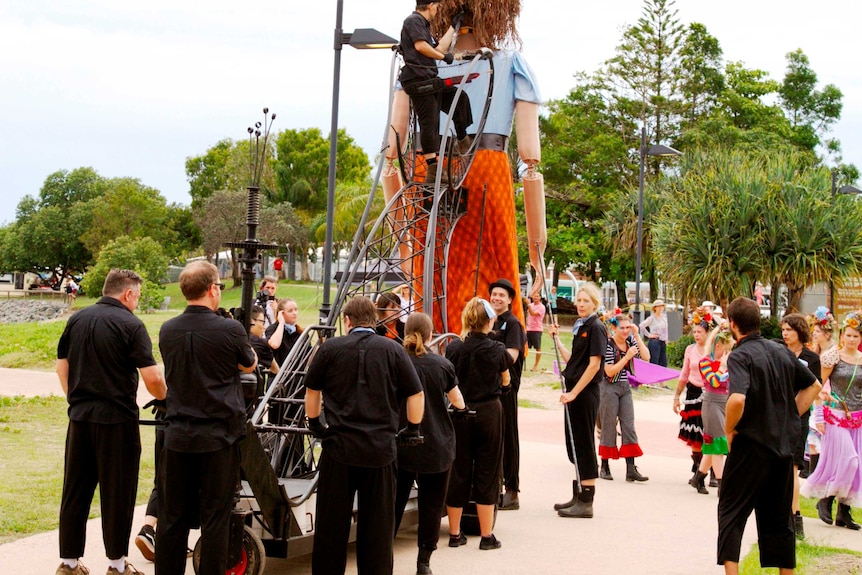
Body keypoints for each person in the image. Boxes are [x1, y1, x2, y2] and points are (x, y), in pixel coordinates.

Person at [383, 0, 547, 335]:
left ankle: (440, 343)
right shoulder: (509, 62)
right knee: (483, 263)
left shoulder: (416, 62)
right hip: (482, 166)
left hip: (430, 166)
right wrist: (537, 256)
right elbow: (530, 160)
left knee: (433, 263)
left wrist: (403, 245)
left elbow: (392, 146)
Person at [55, 269, 167, 575]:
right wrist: (165, 399)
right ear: (128, 294)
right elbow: (152, 377)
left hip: (80, 417)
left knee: (75, 490)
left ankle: (69, 563)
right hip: (116, 420)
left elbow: (61, 365)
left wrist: (75, 399)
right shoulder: (131, 324)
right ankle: (117, 565)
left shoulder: (77, 319)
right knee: (117, 493)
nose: (138, 302)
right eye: (138, 296)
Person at [304, 296, 424, 575]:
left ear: (347, 321)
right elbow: (415, 393)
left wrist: (315, 425)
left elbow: (312, 391)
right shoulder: (393, 350)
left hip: (339, 448)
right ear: (375, 320)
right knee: (378, 527)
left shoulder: (330, 348)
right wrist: (412, 429)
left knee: (331, 526)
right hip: (380, 449)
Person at [155, 261, 258, 575]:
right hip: (217, 436)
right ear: (213, 289)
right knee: (215, 518)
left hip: (177, 434)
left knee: (172, 517)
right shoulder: (229, 329)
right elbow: (250, 364)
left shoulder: (168, 329)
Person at [718, 297, 820, 575]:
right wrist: (789, 415)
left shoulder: (740, 355)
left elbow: (737, 398)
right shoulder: (782, 351)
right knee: (779, 518)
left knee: (732, 513)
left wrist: (729, 430)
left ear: (733, 324)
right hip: (782, 447)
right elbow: (814, 385)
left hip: (750, 446)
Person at [394, 313, 465, 574]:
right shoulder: (441, 365)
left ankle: (382, 553)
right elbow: (457, 400)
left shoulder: (397, 361)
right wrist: (462, 408)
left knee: (393, 502)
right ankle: (423, 562)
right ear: (431, 334)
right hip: (436, 443)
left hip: (400, 443)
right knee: (431, 506)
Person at [445, 297, 513, 548]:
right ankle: (486, 535)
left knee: (459, 470)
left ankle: (454, 533)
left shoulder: (454, 347)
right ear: (489, 320)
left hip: (460, 411)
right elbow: (506, 379)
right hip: (488, 412)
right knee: (487, 471)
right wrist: (502, 386)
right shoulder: (496, 349)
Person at [548, 283, 607, 518]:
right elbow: (575, 361)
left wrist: (574, 393)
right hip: (574, 390)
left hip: (585, 393)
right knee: (574, 444)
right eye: (579, 300)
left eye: (586, 301)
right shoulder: (580, 326)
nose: (581, 304)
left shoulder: (596, 327)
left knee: (583, 443)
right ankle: (579, 491)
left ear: (594, 303)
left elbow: (594, 365)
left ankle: (586, 500)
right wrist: (558, 340)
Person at [801, 310, 862, 531]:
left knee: (856, 468)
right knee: (850, 460)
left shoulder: (861, 360)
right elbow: (817, 385)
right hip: (834, 415)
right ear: (842, 335)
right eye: (849, 335)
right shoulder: (832, 357)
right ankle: (825, 499)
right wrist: (818, 415)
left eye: (856, 336)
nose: (852, 340)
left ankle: (843, 512)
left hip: (856, 418)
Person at [398, 0, 472, 180]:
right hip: (419, 81)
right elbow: (421, 47)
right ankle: (433, 169)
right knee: (429, 121)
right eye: (437, 6)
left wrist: (454, 26)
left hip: (430, 80)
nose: (438, 10)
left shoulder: (423, 25)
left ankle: (462, 138)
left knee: (458, 97)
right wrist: (443, 57)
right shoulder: (412, 21)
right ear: (431, 5)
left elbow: (438, 48)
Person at [777, 313, 821, 538]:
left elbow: (813, 388)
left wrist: (794, 412)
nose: (785, 334)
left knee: (793, 468)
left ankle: (795, 517)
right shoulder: (779, 352)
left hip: (798, 417)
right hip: (777, 415)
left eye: (789, 330)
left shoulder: (811, 358)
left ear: (799, 331)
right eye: (783, 330)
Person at [488, 278, 526, 510]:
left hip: (507, 388)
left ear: (510, 299)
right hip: (487, 388)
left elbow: (511, 355)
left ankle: (512, 489)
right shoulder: (487, 320)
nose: (497, 298)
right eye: (494, 294)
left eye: (502, 295)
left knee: (509, 437)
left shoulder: (513, 324)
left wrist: (488, 350)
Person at [599, 313, 650, 482]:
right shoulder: (608, 344)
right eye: (622, 328)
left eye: (628, 327)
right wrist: (627, 357)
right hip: (608, 387)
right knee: (608, 424)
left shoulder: (630, 341)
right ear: (614, 328)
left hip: (624, 387)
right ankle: (604, 466)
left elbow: (646, 357)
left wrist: (636, 335)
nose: (626, 330)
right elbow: (609, 371)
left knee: (628, 424)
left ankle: (630, 467)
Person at [691, 326, 734, 496]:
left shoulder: (728, 362)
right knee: (718, 443)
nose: (728, 351)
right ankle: (721, 484)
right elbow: (714, 381)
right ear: (718, 346)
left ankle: (699, 477)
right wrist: (723, 366)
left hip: (725, 402)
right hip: (711, 402)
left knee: (714, 443)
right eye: (727, 347)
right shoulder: (705, 362)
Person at [673, 309, 711, 482]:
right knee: (695, 434)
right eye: (694, 332)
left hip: (711, 393)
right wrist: (676, 396)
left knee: (709, 433)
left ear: (708, 333)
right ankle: (698, 468)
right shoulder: (690, 350)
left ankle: (710, 469)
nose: (696, 335)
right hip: (693, 392)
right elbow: (684, 373)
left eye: (700, 332)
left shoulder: (714, 350)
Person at [804, 307, 837, 479]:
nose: (814, 334)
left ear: (826, 333)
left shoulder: (831, 353)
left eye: (817, 331)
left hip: (826, 398)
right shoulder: (816, 351)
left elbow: (823, 381)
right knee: (813, 440)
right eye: (813, 331)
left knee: (821, 439)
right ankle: (813, 475)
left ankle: (819, 474)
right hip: (815, 397)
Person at [265, 297, 302, 366]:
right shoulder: (273, 329)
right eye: (290, 311)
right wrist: (281, 322)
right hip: (278, 374)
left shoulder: (300, 332)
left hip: (297, 374)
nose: (294, 313)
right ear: (281, 313)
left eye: (296, 310)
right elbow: (274, 345)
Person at [639, 299, 668, 366]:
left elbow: (665, 329)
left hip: (663, 341)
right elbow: (641, 325)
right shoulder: (652, 318)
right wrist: (649, 335)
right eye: (658, 306)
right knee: (655, 361)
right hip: (655, 341)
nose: (660, 308)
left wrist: (666, 339)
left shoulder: (664, 317)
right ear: (655, 308)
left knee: (663, 362)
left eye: (662, 306)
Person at [526, 293, 546, 371]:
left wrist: (528, 305)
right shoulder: (531, 305)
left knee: (538, 348)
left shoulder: (542, 307)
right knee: (524, 346)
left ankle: (535, 366)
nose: (535, 297)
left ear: (540, 297)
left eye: (537, 296)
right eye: (534, 296)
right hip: (528, 329)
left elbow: (533, 313)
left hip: (537, 329)